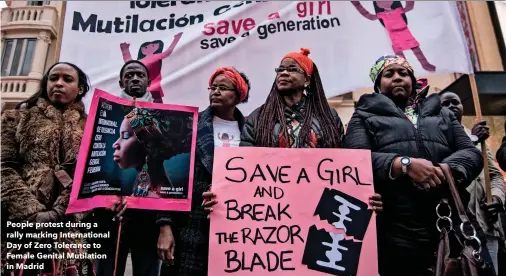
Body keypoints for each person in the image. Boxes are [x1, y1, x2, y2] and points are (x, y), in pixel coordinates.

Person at [344, 55, 484, 275]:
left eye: (403, 73)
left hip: (448, 223)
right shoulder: (363, 116)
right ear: (378, 85)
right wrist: (402, 164)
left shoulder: (443, 113)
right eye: (389, 74)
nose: (397, 78)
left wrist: (441, 172)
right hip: (395, 229)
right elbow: (354, 160)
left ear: (413, 79)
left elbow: (471, 154)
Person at [1, 62, 92, 275]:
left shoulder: (91, 126)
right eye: (53, 78)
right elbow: (4, 167)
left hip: (69, 228)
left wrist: (61, 212)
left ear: (79, 89)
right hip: (22, 225)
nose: (58, 83)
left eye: (67, 79)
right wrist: (33, 213)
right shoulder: (16, 118)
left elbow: (92, 174)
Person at [161, 66, 250, 276]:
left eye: (223, 87)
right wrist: (164, 226)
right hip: (189, 227)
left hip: (233, 227)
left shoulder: (250, 130)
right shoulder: (187, 125)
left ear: (239, 95)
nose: (215, 91)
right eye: (213, 87)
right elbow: (168, 179)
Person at [91, 60, 177, 276]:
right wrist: (102, 201)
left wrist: (164, 223)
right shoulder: (102, 115)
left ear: (149, 82)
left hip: (148, 218)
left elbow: (163, 174)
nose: (134, 79)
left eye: (139, 75)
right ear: (121, 81)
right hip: (109, 216)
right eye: (129, 76)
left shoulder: (163, 116)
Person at [441, 91, 505, 274]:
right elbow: (448, 168)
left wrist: (497, 198)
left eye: (456, 102)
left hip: (486, 224)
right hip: (458, 229)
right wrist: (473, 140)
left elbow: (495, 175)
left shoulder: (480, 138)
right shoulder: (437, 140)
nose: (452, 106)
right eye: (445, 104)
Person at [241, 48, 345, 148]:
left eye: (292, 69)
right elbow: (247, 158)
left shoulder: (328, 116)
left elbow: (340, 156)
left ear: (307, 80)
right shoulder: (258, 117)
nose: (284, 73)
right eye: (280, 69)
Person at [112, 107, 192, 198]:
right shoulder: (147, 190)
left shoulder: (153, 197)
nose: (115, 144)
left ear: (148, 144)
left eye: (125, 135)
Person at [120, 32, 183, 103]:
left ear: (157, 47)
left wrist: (176, 39)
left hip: (155, 86)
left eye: (152, 46)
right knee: (142, 103)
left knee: (158, 104)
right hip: (142, 88)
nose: (149, 48)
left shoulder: (156, 56)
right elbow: (129, 62)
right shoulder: (140, 61)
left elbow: (168, 52)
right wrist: (125, 50)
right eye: (146, 47)